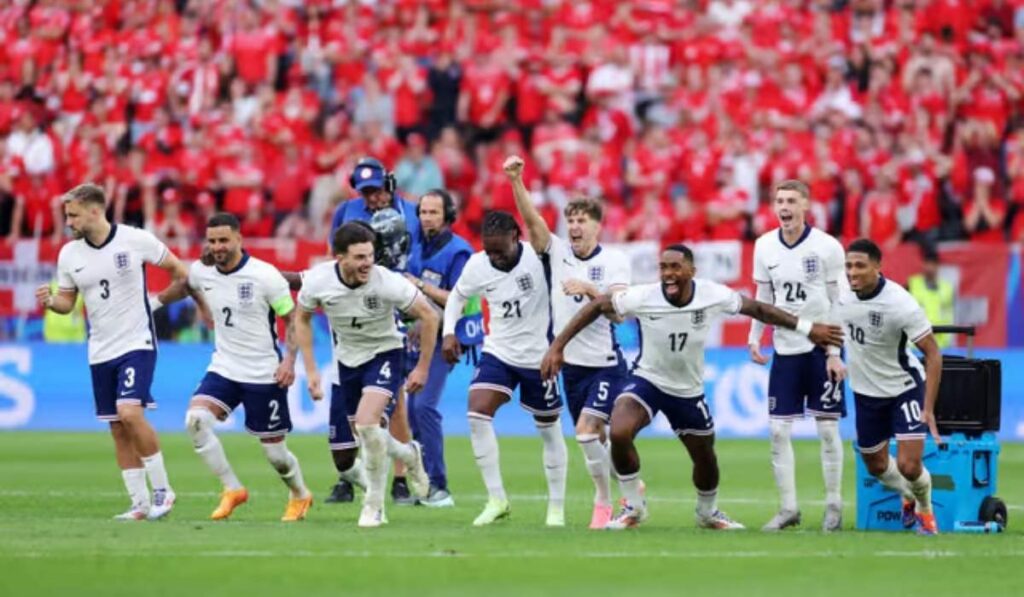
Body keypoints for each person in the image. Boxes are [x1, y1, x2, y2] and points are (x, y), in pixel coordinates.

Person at [540, 244, 844, 530]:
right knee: (619, 430)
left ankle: (707, 511)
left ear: (691, 271)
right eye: (663, 267)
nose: (668, 273)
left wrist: (808, 328)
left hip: (688, 389)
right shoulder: (644, 296)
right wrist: (557, 346)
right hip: (648, 380)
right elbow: (597, 307)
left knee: (705, 456)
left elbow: (759, 309)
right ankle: (633, 506)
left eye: (675, 267)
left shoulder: (712, 294)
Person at [36, 183, 200, 520]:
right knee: (116, 426)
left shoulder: (135, 239)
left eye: (73, 214)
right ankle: (139, 504)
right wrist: (52, 302)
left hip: (136, 342)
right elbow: (68, 302)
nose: (68, 221)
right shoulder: (69, 254)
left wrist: (155, 302)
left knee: (130, 413)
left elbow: (181, 273)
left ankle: (163, 491)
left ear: (95, 210)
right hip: (99, 349)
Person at [156, 213, 313, 522]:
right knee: (195, 420)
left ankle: (299, 493)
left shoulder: (265, 276)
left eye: (224, 240)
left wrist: (289, 361)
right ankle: (232, 489)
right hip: (224, 367)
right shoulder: (203, 271)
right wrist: (156, 303)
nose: (218, 246)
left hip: (263, 372)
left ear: (239, 239)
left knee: (276, 456)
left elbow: (291, 319)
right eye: (212, 241)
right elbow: (187, 284)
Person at [505, 155, 631, 529]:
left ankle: (604, 501)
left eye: (582, 221)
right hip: (572, 367)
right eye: (571, 220)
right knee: (597, 440)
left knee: (586, 432)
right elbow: (532, 222)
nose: (574, 227)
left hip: (606, 363)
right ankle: (631, 489)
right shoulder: (557, 252)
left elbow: (620, 313)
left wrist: (591, 289)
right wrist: (516, 181)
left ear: (597, 226)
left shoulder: (615, 261)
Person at [294, 222, 436, 528]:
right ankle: (409, 455)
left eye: (370, 256)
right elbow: (301, 318)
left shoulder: (386, 281)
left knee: (368, 423)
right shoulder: (319, 281)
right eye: (359, 257)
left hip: (385, 353)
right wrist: (310, 369)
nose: (367, 263)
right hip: (347, 362)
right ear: (340, 258)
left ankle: (373, 506)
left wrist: (422, 367)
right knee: (360, 440)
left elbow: (429, 314)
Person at [442, 211, 568, 527]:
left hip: (540, 356)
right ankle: (497, 499)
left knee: (549, 430)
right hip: (499, 351)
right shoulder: (477, 264)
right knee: (477, 413)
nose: (494, 257)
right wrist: (448, 332)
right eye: (489, 250)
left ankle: (556, 508)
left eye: (500, 250)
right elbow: (457, 297)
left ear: (516, 236)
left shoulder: (540, 259)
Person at [747, 179, 848, 532]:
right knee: (777, 431)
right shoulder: (764, 246)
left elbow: (838, 301)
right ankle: (789, 508)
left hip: (822, 348)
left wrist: (835, 353)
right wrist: (755, 336)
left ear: (806, 204)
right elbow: (763, 294)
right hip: (785, 348)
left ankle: (833, 504)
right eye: (779, 201)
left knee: (827, 429)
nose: (784, 207)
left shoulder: (827, 247)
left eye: (791, 200)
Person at [326, 156, 421, 505]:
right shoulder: (347, 212)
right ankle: (350, 477)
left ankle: (397, 480)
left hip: (390, 307)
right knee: (350, 402)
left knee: (394, 400)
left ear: (390, 184)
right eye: (365, 192)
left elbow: (416, 258)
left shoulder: (411, 213)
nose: (372, 198)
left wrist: (412, 304)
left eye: (377, 190)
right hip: (351, 311)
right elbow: (332, 258)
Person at [834, 238, 943, 535]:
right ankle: (907, 495)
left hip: (903, 387)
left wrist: (928, 407)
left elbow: (933, 354)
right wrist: (832, 357)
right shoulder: (840, 294)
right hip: (865, 391)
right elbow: (827, 326)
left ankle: (924, 509)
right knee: (876, 465)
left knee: (909, 465)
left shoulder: (900, 303)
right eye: (848, 266)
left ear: (878, 267)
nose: (852, 272)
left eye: (860, 266)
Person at [402, 189, 474, 507]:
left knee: (423, 408)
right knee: (410, 413)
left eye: (433, 212)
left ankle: (439, 486)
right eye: (423, 212)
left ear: (447, 215)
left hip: (447, 338)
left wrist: (419, 285)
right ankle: (422, 484)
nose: (427, 217)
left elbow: (458, 297)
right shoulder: (415, 247)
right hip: (415, 335)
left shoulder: (460, 251)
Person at [907, 246, 954, 349]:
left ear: (938, 266)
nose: (929, 267)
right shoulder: (911, 284)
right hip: (916, 344)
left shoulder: (947, 288)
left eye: (933, 264)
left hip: (941, 344)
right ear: (922, 264)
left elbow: (949, 315)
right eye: (927, 263)